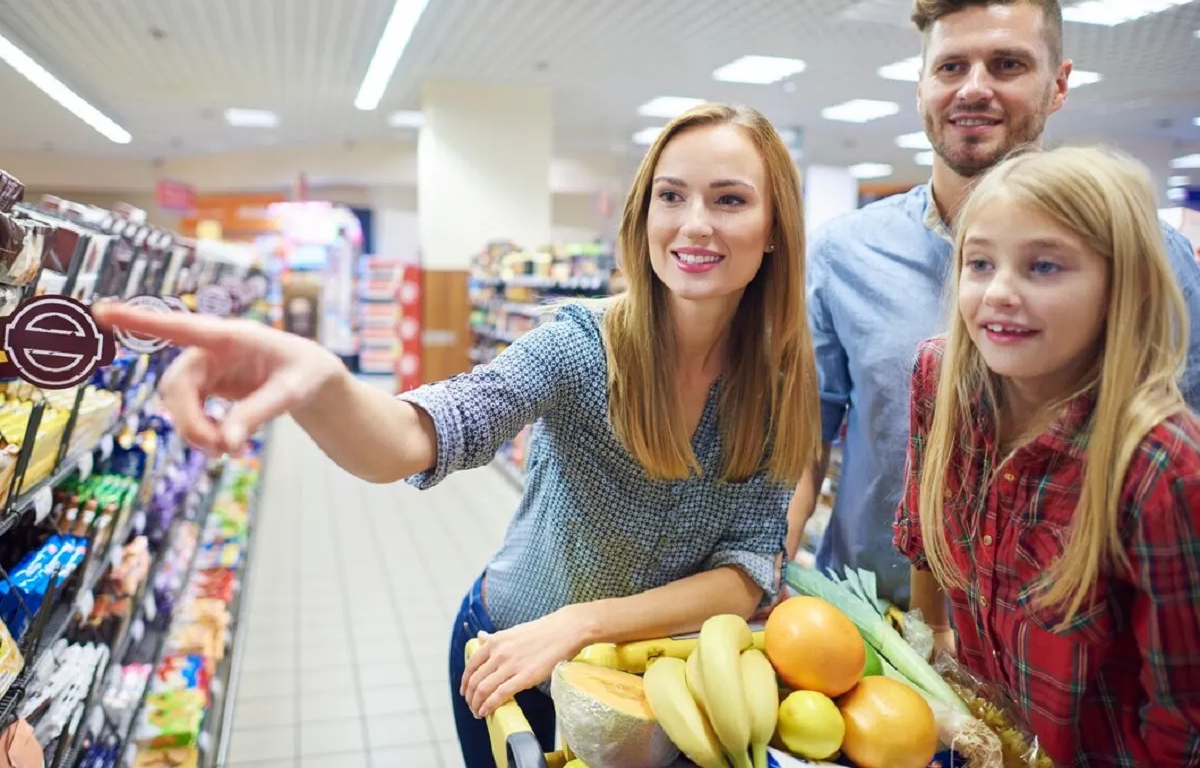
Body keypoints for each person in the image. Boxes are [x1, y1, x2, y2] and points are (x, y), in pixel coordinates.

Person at [94, 103, 822, 767]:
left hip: (652, 684)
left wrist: (581, 624)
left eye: (729, 199)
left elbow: (748, 570)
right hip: (509, 657)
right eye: (672, 195)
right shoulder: (582, 346)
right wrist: (325, 385)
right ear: (643, 216)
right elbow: (432, 430)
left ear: (773, 232)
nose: (695, 223)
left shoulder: (782, 385)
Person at [793, 0, 1200, 608]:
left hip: (1074, 647)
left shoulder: (1150, 257)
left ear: (1058, 85)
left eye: (1008, 65)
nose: (974, 88)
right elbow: (803, 447)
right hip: (871, 625)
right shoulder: (845, 254)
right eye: (951, 67)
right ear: (921, 87)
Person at [894, 144, 1200, 764]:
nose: (1000, 291)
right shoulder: (941, 379)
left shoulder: (1160, 470)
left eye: (1044, 267)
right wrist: (931, 654)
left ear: (1121, 286)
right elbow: (922, 537)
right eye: (980, 263)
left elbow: (1182, 723)